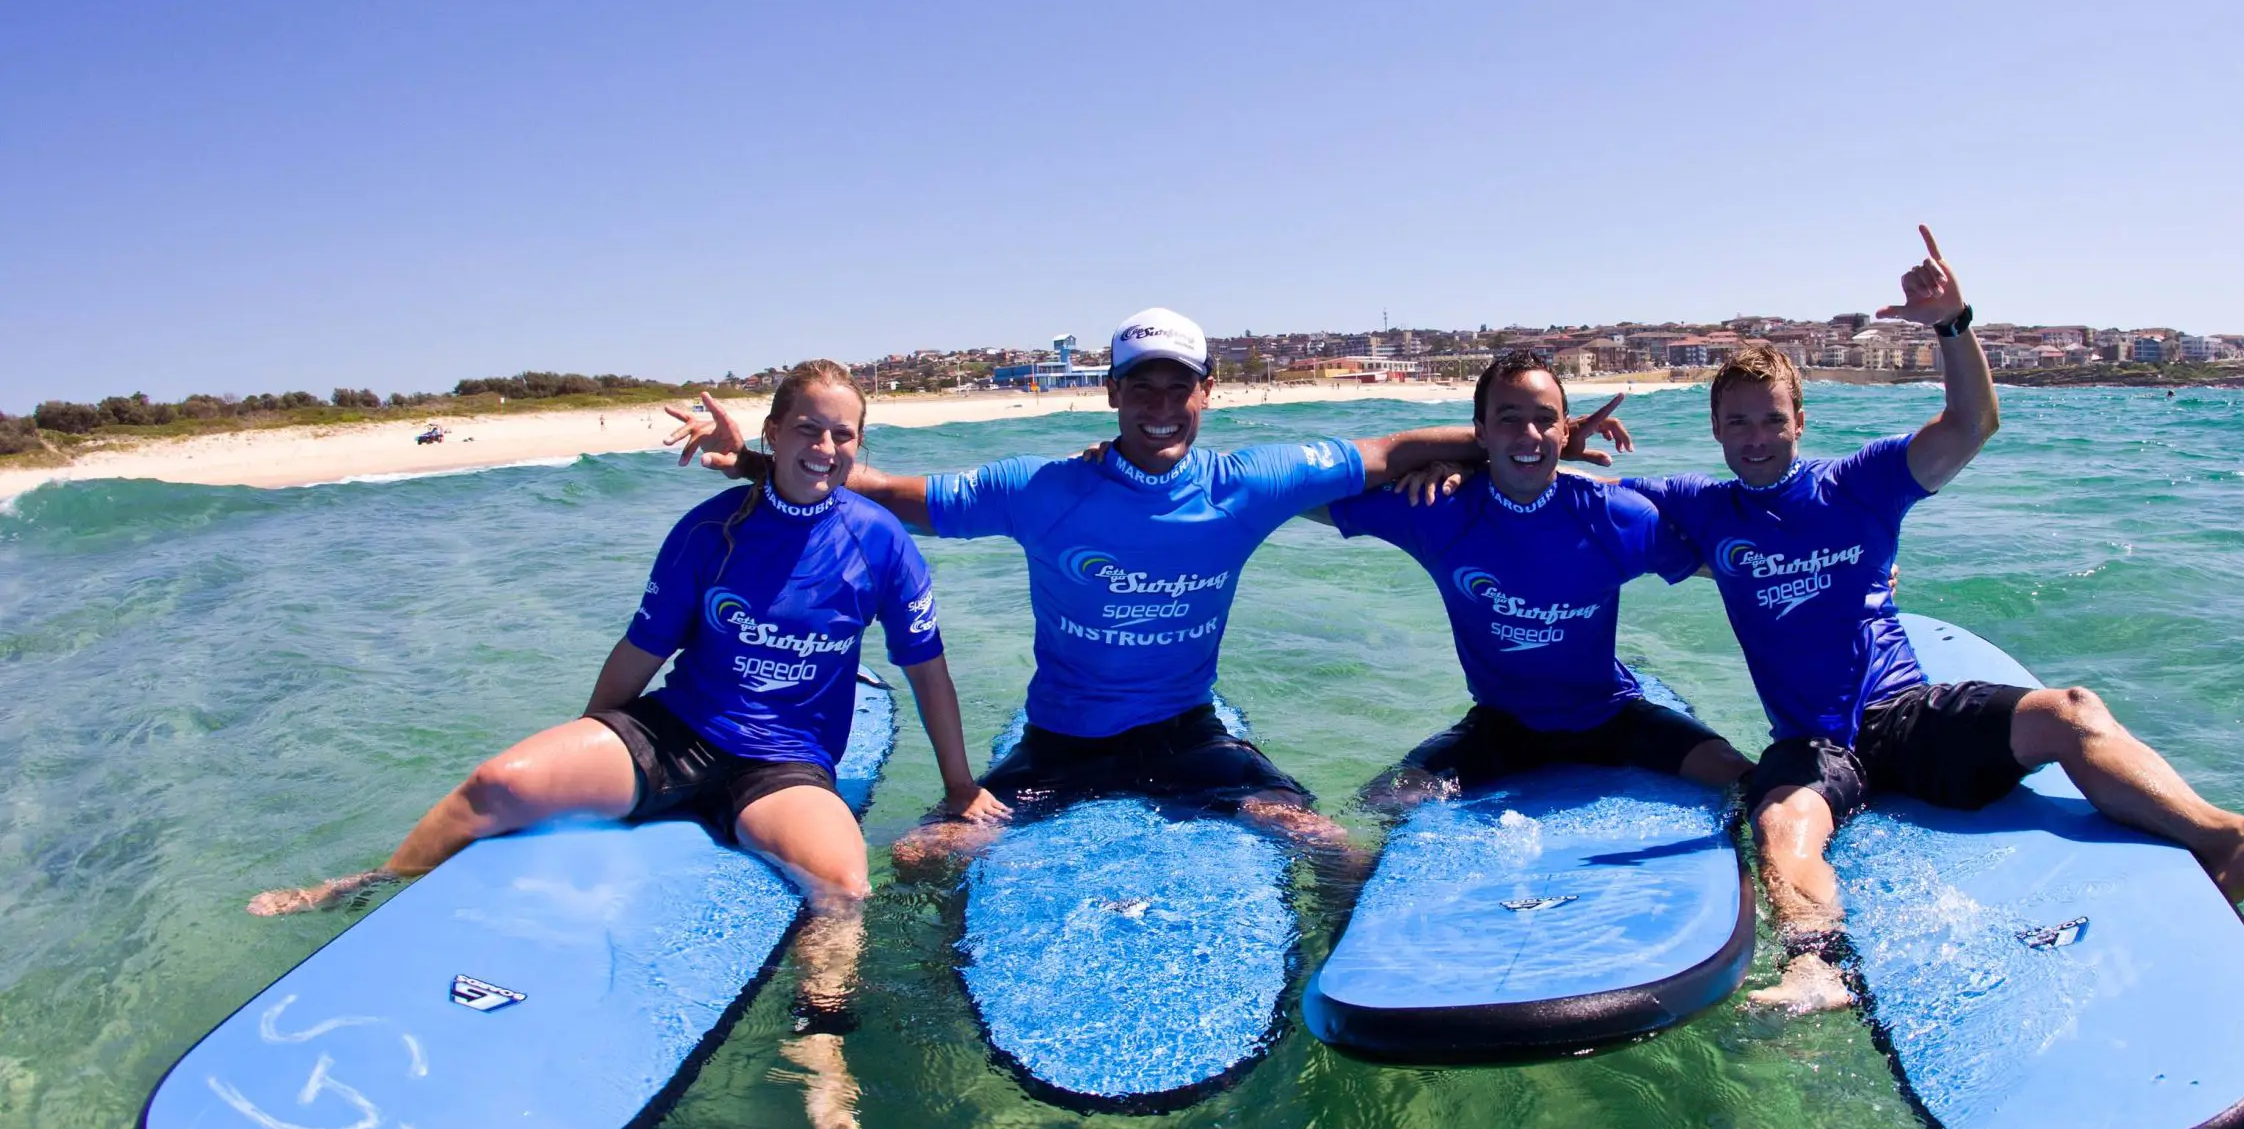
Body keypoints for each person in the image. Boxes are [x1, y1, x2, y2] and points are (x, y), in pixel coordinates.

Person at [250, 360, 1005, 1129]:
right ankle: (374, 880)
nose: (823, 445)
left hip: (782, 764)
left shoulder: (879, 543)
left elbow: (928, 669)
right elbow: (642, 649)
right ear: (771, 433)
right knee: (497, 781)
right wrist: (589, 751)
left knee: (844, 883)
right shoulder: (709, 531)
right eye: (807, 427)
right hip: (674, 732)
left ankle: (818, 1035)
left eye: (841, 433)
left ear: (858, 444)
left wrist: (958, 784)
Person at [1620, 229, 2244, 1015]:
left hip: (1903, 713)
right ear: (1716, 431)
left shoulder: (1857, 484)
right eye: (1737, 424)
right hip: (1813, 743)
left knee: (2071, 711)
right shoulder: (1702, 507)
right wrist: (1532, 444)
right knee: (1780, 820)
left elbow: (1972, 424)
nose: (1755, 438)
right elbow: (1577, 506)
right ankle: (1815, 966)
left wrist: (1951, 323)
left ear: (1800, 419)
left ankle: (2228, 840)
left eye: (1770, 419)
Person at [667, 310, 1627, 875]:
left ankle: (1343, 994)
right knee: (924, 860)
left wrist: (1520, 446)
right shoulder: (1045, 489)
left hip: (1188, 736)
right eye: (1142, 388)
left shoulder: (1248, 482)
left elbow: (1386, 454)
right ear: (1112, 394)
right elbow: (889, 493)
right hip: (1064, 742)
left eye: (1179, 387)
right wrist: (751, 457)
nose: (1161, 406)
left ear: (1209, 392)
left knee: (1330, 847)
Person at [1322, 350, 1752, 806]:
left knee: (1743, 778)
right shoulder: (1440, 509)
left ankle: (1750, 877)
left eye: (1545, 419)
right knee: (1378, 801)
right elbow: (1307, 487)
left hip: (1610, 719)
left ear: (1565, 431)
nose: (1529, 433)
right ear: (1480, 433)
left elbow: (1732, 567)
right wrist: (1451, 459)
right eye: (1509, 419)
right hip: (1502, 727)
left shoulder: (1614, 517)